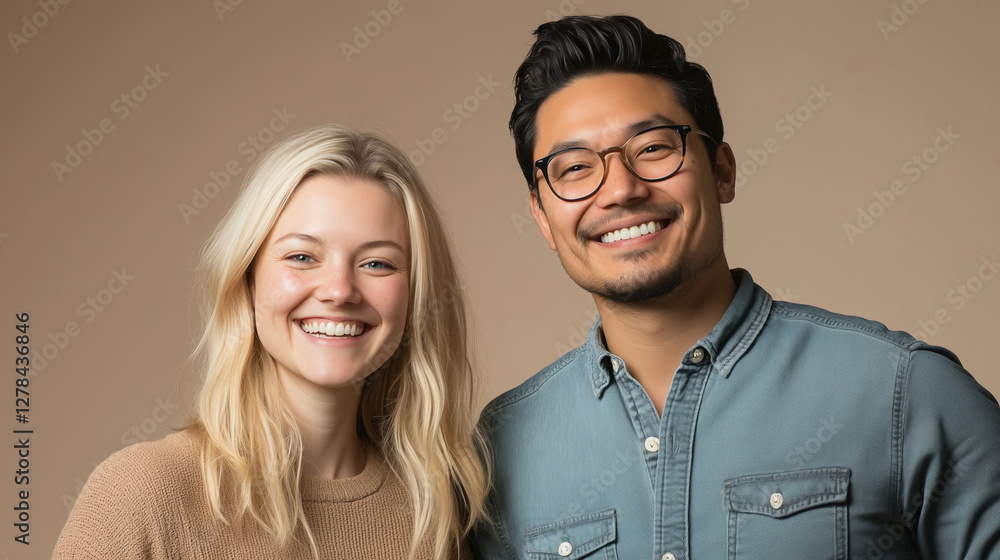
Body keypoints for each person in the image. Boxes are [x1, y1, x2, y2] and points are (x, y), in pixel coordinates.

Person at [472, 15, 1000, 560]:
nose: (621, 190)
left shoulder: (905, 393)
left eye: (653, 148)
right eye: (575, 167)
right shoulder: (493, 455)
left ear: (722, 171)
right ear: (541, 215)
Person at [54, 124, 488, 559]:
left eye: (376, 263)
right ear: (247, 279)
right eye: (302, 257)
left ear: (415, 297)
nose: (339, 291)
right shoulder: (141, 496)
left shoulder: (437, 517)